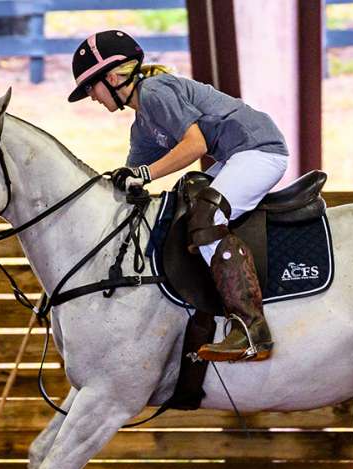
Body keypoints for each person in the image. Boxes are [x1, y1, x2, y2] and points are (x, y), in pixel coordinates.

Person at [68, 30, 289, 362]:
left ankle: (250, 329)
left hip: (260, 151)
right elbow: (132, 176)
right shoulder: (142, 123)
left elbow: (195, 145)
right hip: (237, 156)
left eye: (91, 87)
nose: (93, 98)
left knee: (207, 217)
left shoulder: (155, 91)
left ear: (113, 77)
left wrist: (145, 174)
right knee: (186, 207)